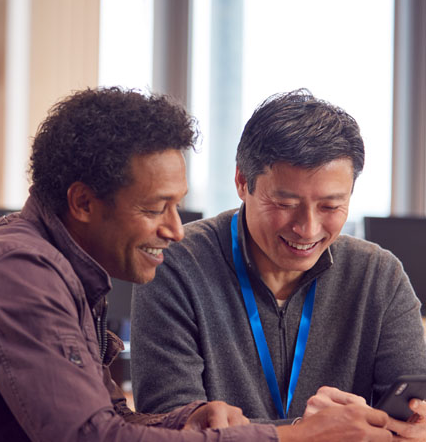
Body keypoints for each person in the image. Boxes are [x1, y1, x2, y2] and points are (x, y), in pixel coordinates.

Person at [0, 87, 395, 441]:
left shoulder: (63, 272)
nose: (174, 229)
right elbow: (92, 438)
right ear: (83, 203)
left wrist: (186, 417)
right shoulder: (16, 271)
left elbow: (110, 417)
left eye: (176, 204)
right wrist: (293, 435)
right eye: (153, 208)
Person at [131, 89, 426, 438]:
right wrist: (310, 432)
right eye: (286, 203)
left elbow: (411, 410)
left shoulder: (378, 276)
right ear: (243, 181)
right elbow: (173, 429)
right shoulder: (175, 263)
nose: (308, 229)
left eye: (331, 206)